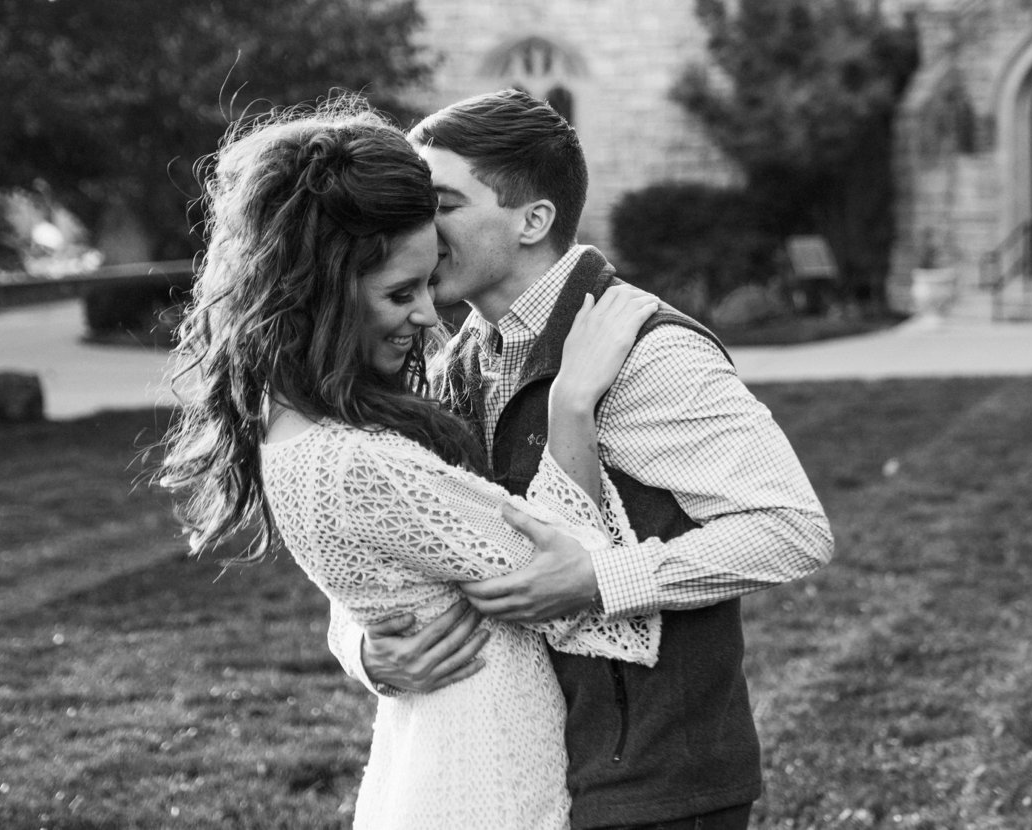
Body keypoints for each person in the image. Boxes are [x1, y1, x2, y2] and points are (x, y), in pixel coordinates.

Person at [329, 89, 834, 830]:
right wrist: (367, 655)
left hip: (652, 789)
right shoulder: (448, 359)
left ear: (533, 219)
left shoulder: (646, 353)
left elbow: (791, 530)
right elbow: (387, 546)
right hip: (518, 774)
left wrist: (599, 579)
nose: (414, 228)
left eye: (440, 202)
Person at [158, 103, 666, 830]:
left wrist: (366, 651)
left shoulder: (300, 427)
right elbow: (572, 579)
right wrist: (573, 404)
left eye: (429, 284)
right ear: (319, 296)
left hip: (436, 757)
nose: (430, 316)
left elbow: (389, 577)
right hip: (482, 779)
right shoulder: (359, 462)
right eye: (401, 293)